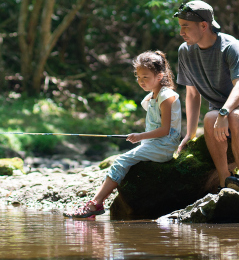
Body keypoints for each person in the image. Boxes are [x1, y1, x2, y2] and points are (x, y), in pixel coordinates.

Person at [64, 51, 181, 218]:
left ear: (160, 75)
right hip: (154, 144)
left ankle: (95, 205)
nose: (141, 81)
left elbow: (165, 130)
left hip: (164, 146)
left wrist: (140, 136)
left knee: (120, 161)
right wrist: (142, 138)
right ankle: (96, 202)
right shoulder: (152, 96)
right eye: (139, 77)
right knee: (123, 160)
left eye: (145, 77)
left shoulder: (166, 96)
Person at [173, 0, 239, 193]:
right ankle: (225, 180)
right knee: (209, 117)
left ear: (203, 25)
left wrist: (224, 113)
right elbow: (192, 94)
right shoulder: (185, 51)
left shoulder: (230, 45)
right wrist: (190, 134)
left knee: (232, 116)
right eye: (180, 27)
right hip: (219, 116)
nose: (181, 32)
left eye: (186, 27)